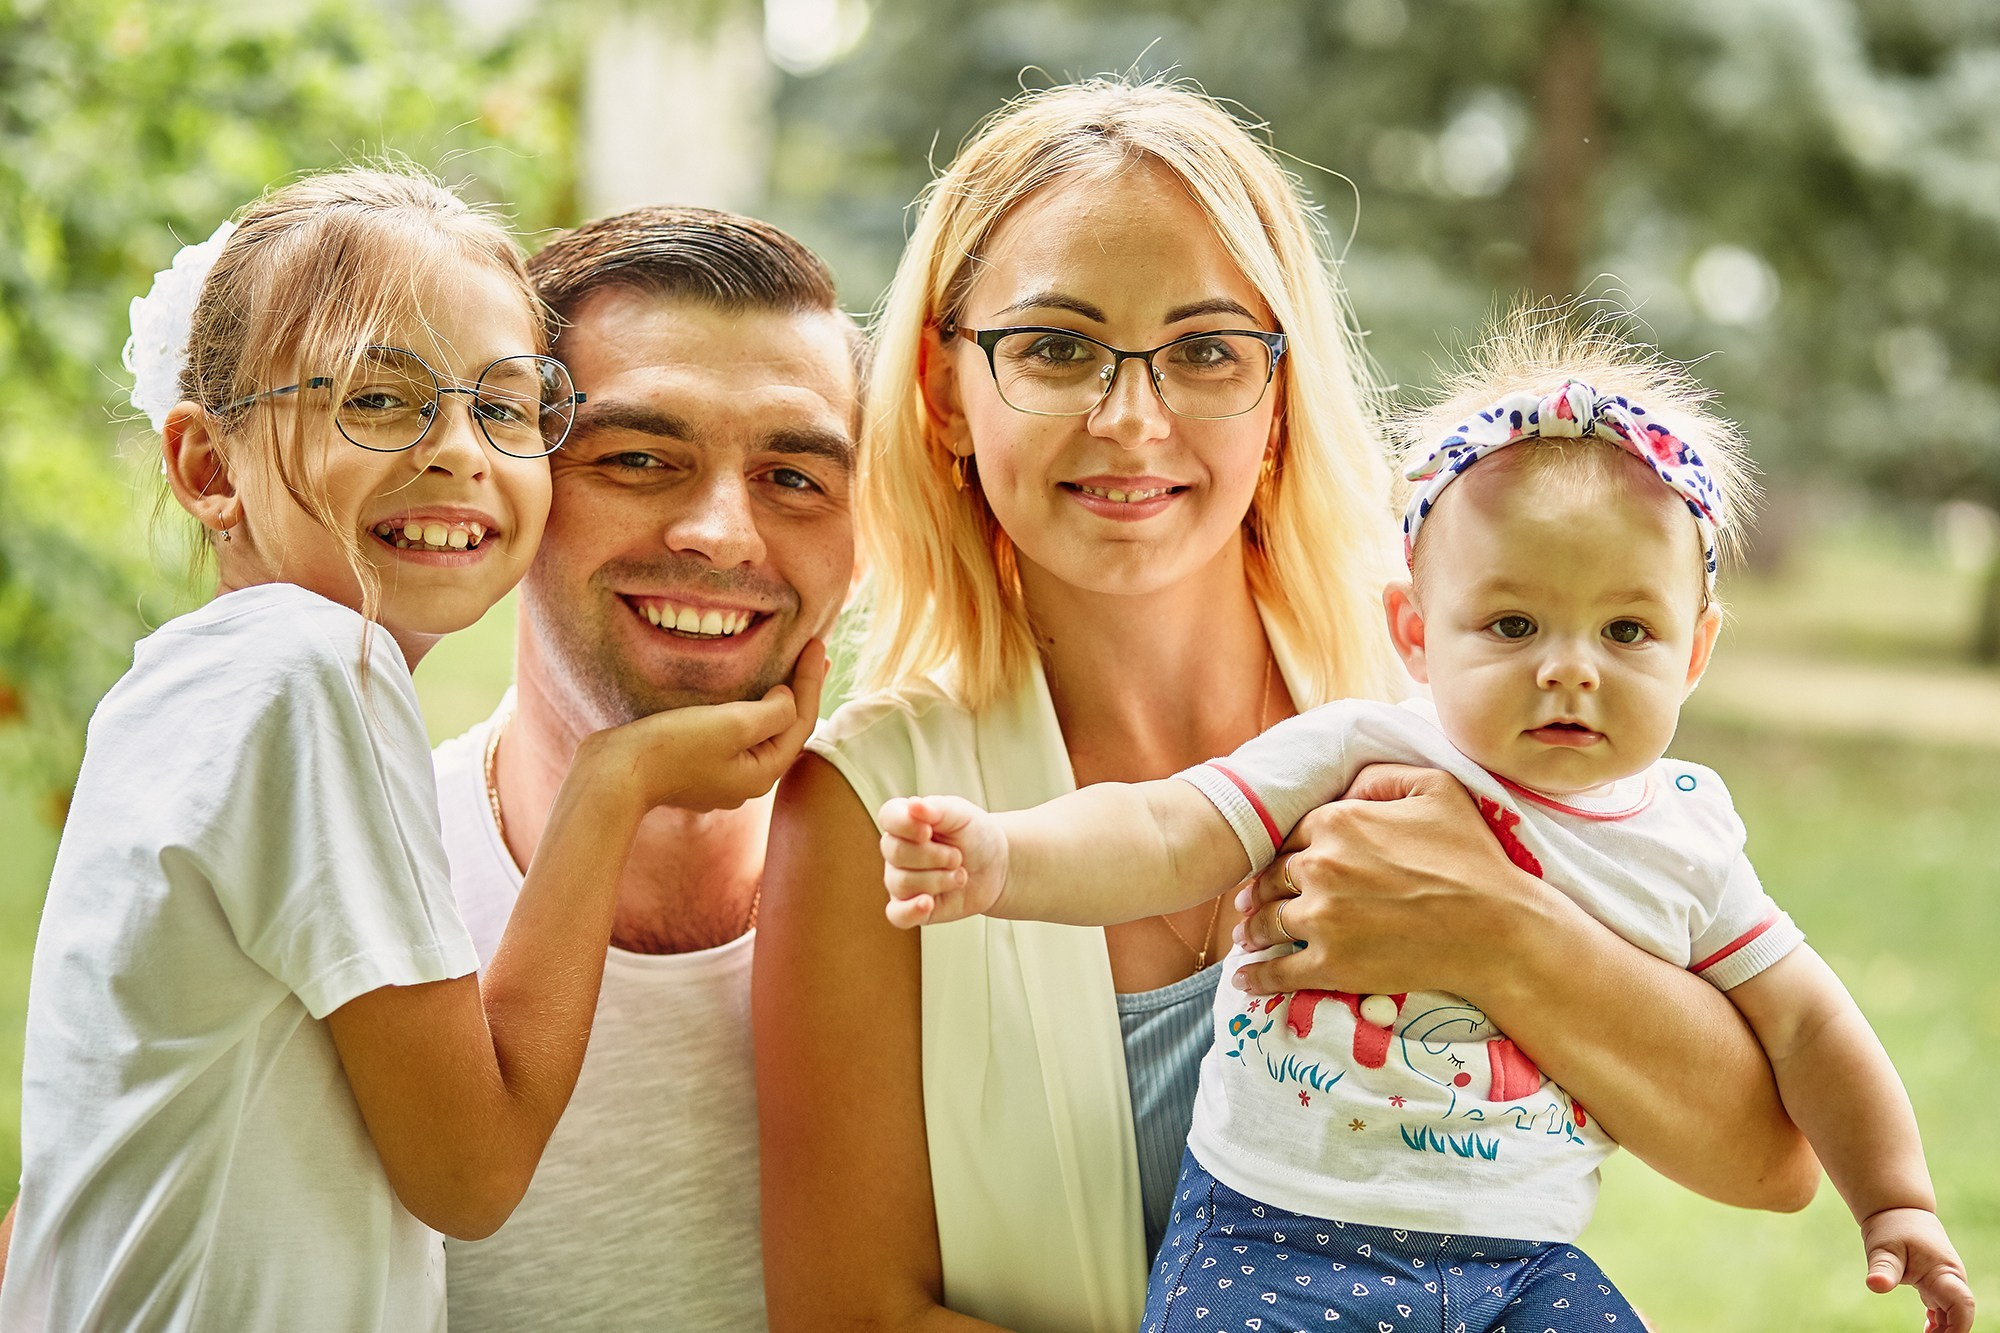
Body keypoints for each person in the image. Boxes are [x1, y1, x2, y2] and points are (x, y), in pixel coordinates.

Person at [755, 78, 1818, 1333]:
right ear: (944, 395)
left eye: (1205, 350)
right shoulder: (875, 814)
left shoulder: (1449, 719)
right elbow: (851, 1315)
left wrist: (1494, 933)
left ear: (1277, 394)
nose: (1131, 419)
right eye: (1055, 347)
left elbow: (1770, 1161)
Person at [878, 314, 1975, 1332]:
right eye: (1512, 623)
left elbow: (1807, 1026)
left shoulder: (1685, 840)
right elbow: (1169, 832)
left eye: (1626, 631)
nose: (1568, 669)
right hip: (1273, 1239)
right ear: (1413, 629)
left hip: (1522, 1266)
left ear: (1695, 649)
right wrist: (1004, 855)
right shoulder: (1362, 748)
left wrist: (1895, 1201)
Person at [0, 171, 825, 1331]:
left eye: (504, 408)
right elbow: (471, 1172)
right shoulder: (310, 673)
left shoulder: (193, 685)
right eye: (380, 400)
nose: (457, 451)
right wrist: (615, 783)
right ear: (207, 468)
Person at [435, 206, 859, 1330]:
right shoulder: (356, 868)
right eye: (636, 458)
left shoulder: (950, 888)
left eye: (794, 477)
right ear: (510, 485)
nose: (721, 533)